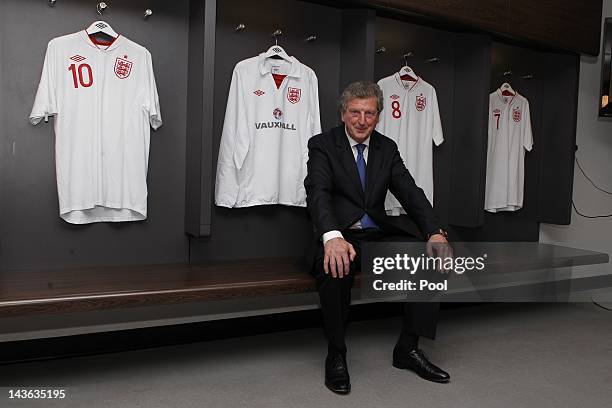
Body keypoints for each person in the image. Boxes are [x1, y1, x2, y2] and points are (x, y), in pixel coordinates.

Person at [304, 81, 451, 394]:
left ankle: (408, 350)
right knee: (335, 267)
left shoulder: (387, 148)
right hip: (337, 234)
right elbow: (318, 193)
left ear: (378, 116)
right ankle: (336, 354)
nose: (361, 120)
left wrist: (434, 232)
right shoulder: (322, 145)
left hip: (375, 236)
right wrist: (331, 236)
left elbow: (410, 192)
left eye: (369, 113)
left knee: (429, 257)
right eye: (355, 112)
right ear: (343, 114)